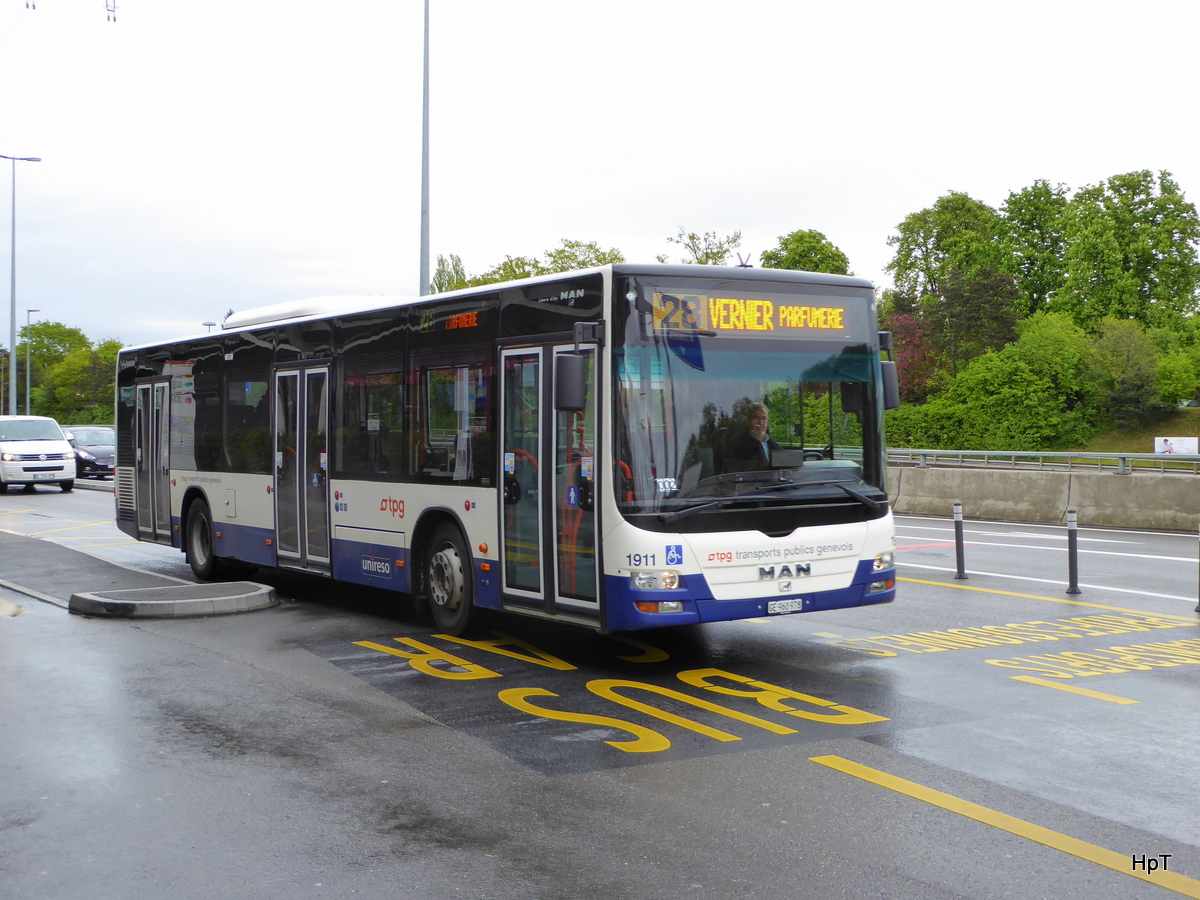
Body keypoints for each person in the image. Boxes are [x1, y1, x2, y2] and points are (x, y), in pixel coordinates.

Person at [725, 403, 780, 468]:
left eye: (764, 418)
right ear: (748, 421)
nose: (760, 422)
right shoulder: (738, 444)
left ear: (767, 421)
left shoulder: (772, 444)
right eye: (756, 418)